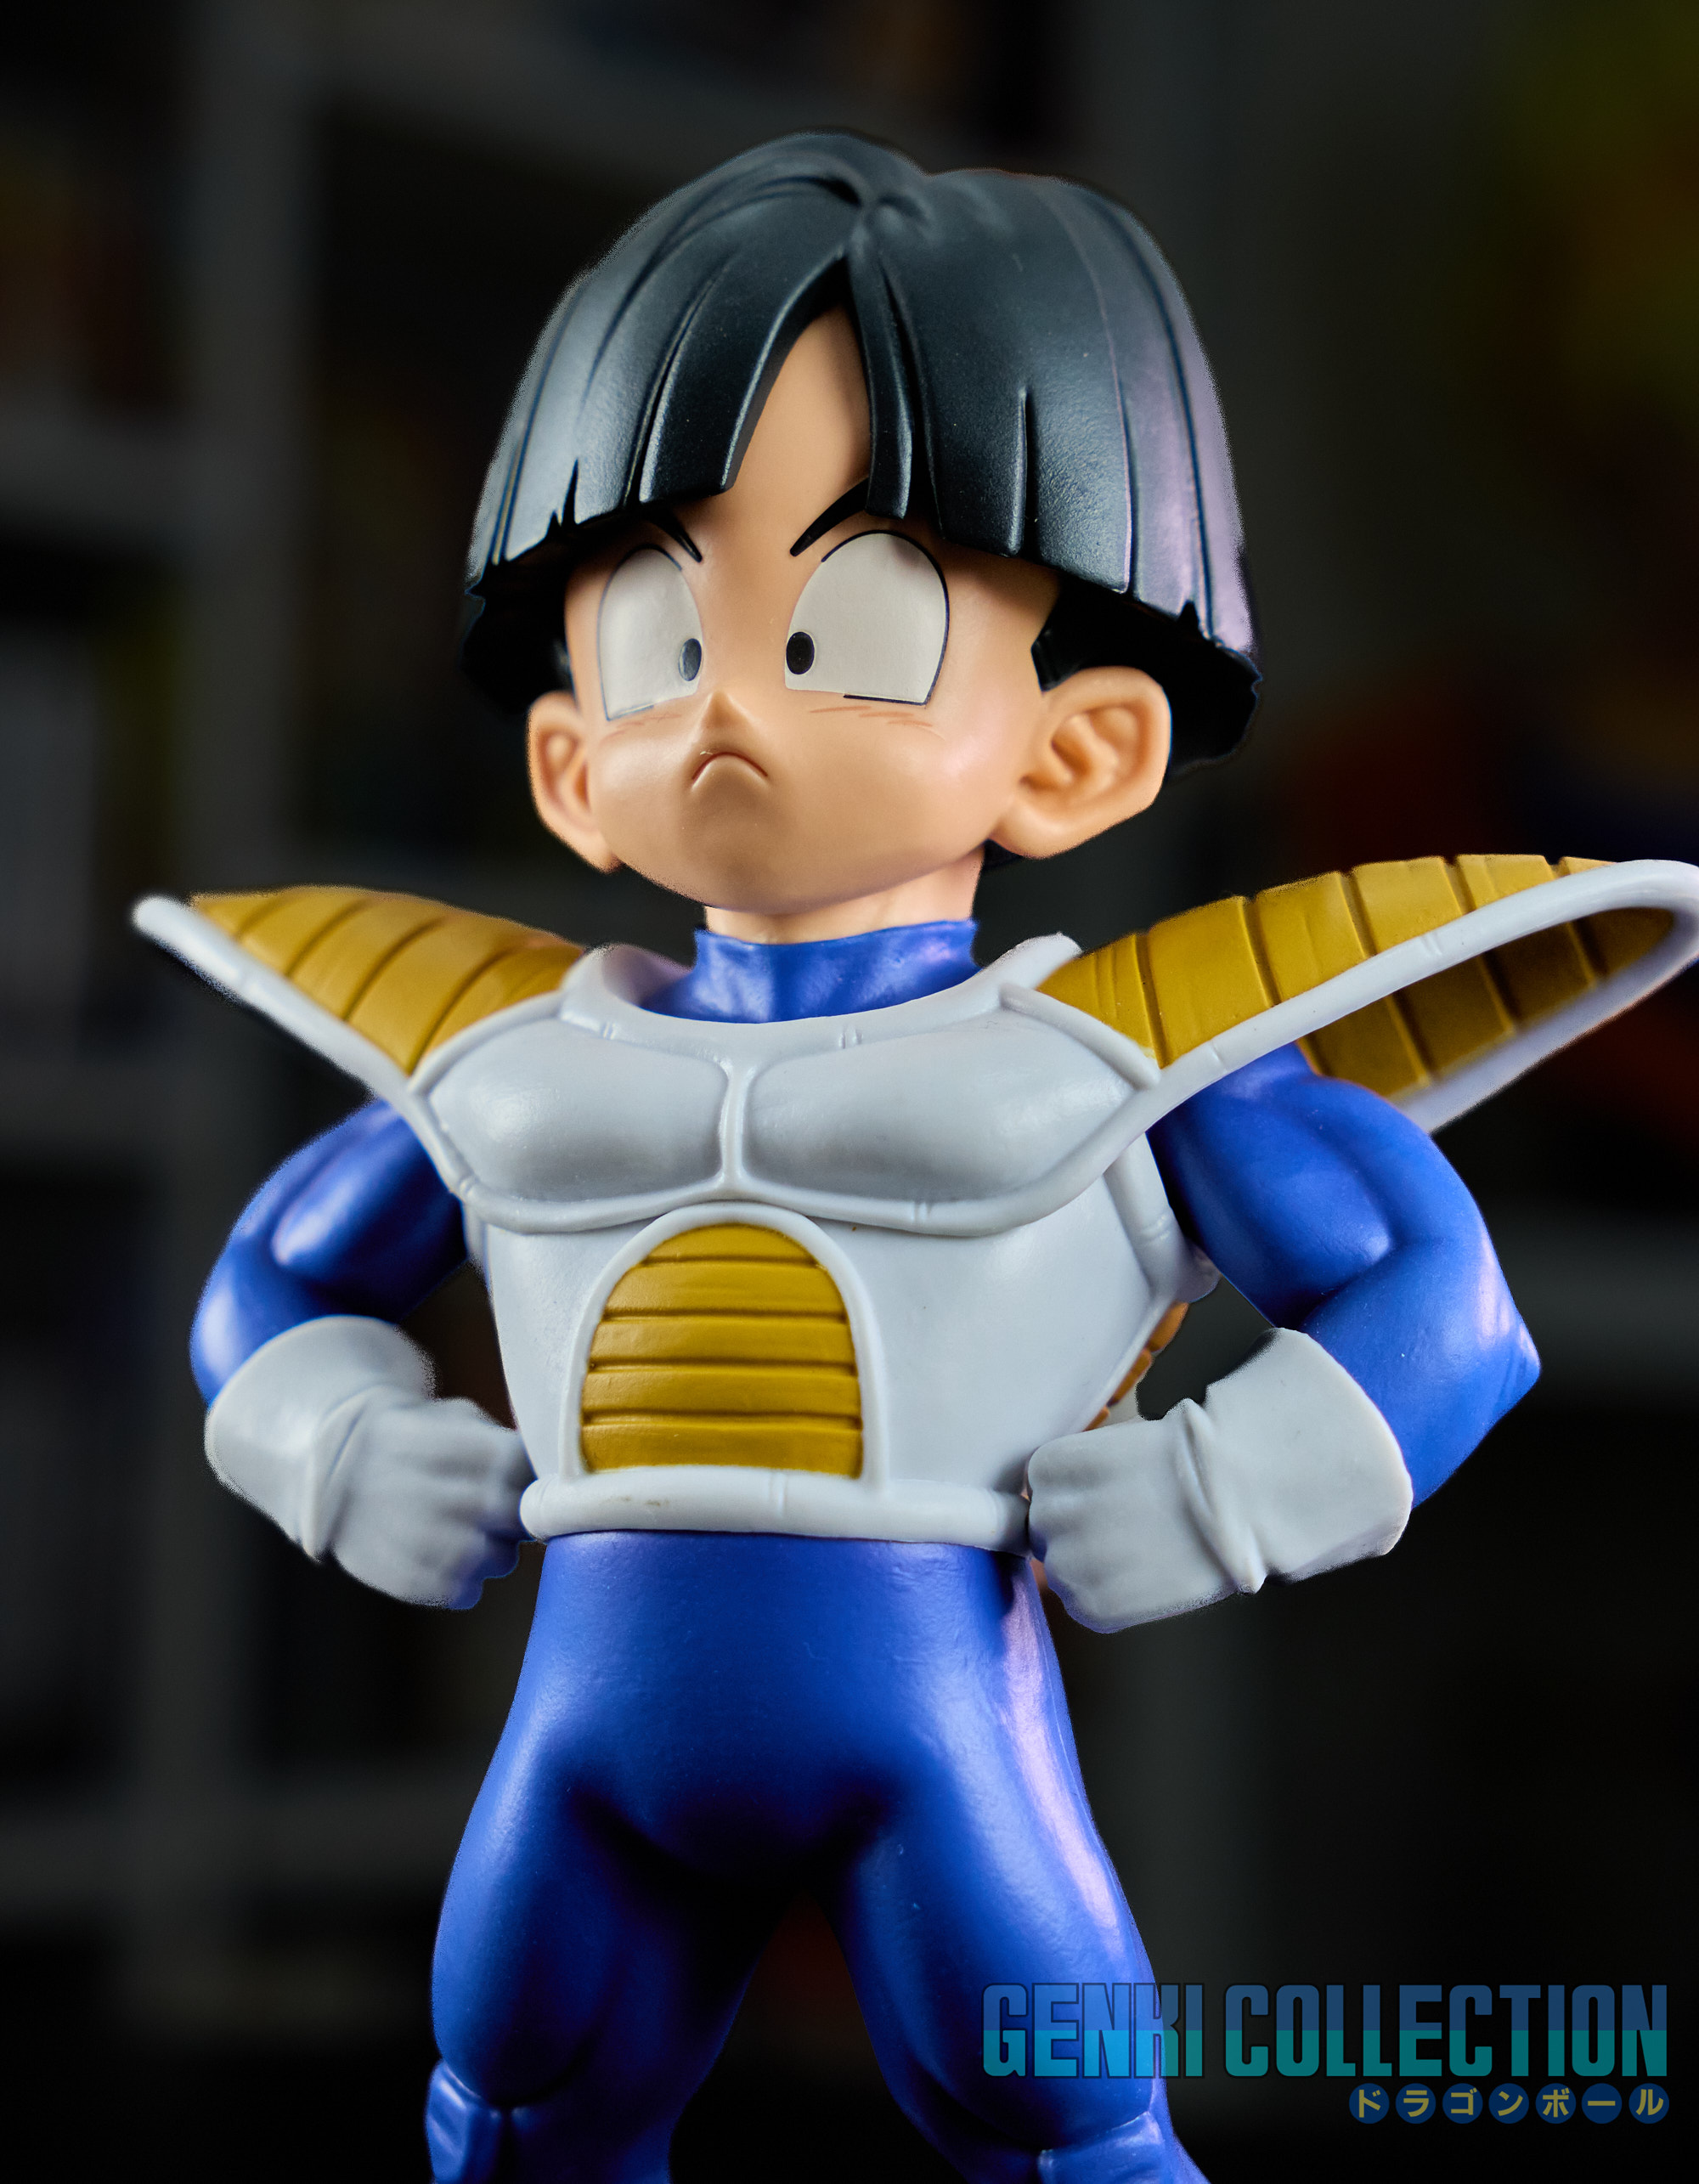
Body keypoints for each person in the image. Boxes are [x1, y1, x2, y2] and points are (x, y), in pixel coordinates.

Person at [137, 134, 1696, 2184]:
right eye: (657, 632)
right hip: (588, 1741)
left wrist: (1233, 1483)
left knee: (1059, 2120)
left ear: (1078, 746)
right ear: (568, 760)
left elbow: (1443, 1301)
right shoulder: (508, 1065)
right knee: (514, 2094)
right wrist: (334, 1437)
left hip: (940, 1728)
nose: (729, 704)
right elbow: (269, 1278)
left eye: (848, 624)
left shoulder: (1116, 1066)